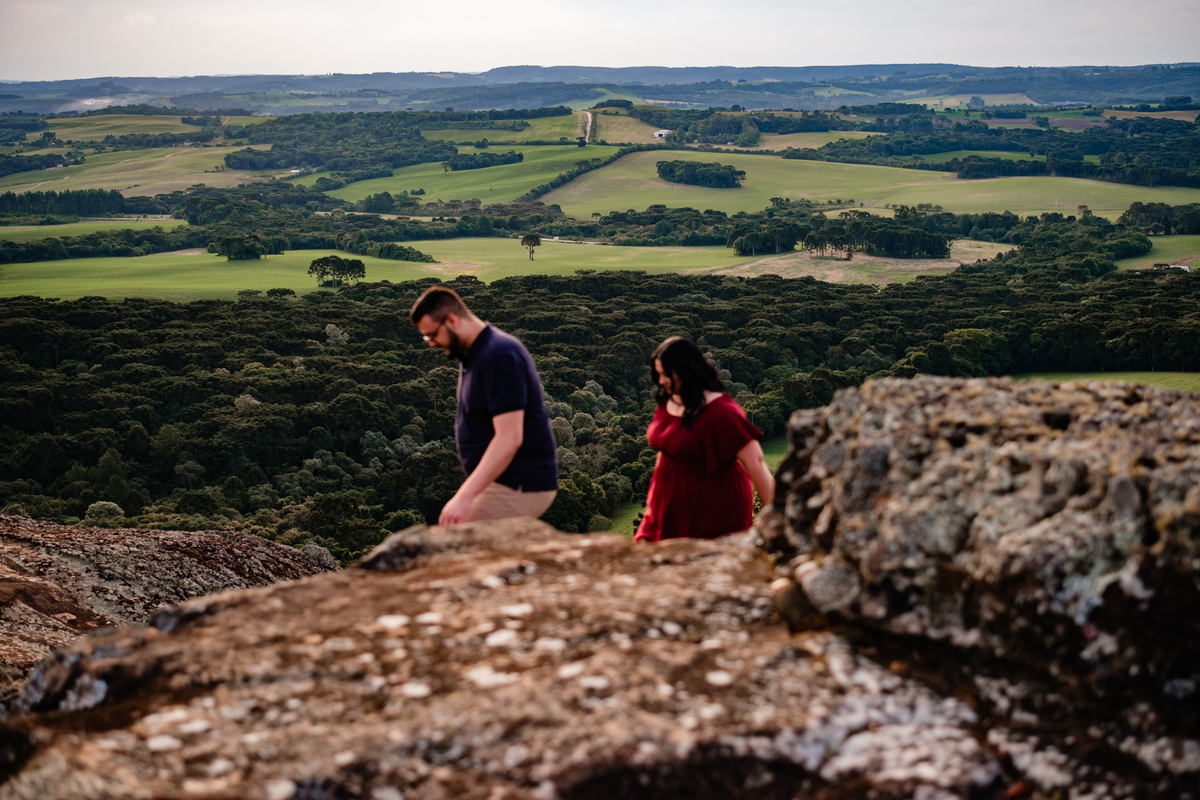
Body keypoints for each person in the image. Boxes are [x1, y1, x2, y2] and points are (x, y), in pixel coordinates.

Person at [409, 286, 558, 525]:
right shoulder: (474, 355)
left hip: (520, 483)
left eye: (432, 335)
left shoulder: (499, 355)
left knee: (454, 543)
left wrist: (465, 496)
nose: (432, 344)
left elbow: (509, 437)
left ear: (452, 320)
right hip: (504, 481)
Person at [635, 336, 774, 542]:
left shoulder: (721, 411)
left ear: (685, 371)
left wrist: (780, 521)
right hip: (665, 503)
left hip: (714, 507)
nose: (661, 381)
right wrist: (655, 500)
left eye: (666, 374)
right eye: (659, 374)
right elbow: (667, 449)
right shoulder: (667, 401)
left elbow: (756, 464)